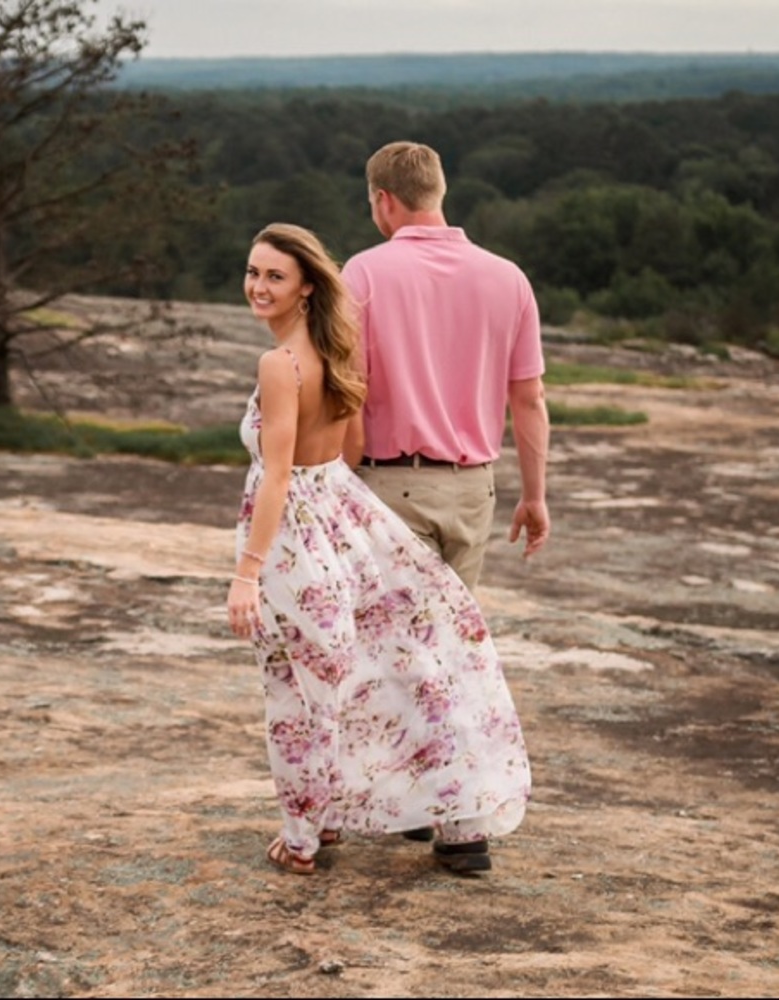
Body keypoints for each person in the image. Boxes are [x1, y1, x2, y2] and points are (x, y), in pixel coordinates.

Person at [227, 222, 531, 877]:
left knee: (297, 690)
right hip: (336, 517)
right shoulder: (339, 354)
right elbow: (352, 450)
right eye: (253, 272)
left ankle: (304, 836)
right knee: (354, 674)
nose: (258, 285)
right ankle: (343, 818)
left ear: (306, 286)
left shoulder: (279, 366)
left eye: (274, 275)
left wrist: (247, 574)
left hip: (293, 541)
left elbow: (278, 474)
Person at [341, 140, 551, 591]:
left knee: (392, 645)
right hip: (474, 491)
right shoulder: (509, 278)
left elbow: (348, 392)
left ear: (384, 199)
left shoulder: (363, 274)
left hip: (390, 486)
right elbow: (529, 400)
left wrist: (338, 486)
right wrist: (534, 496)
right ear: (439, 191)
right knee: (452, 647)